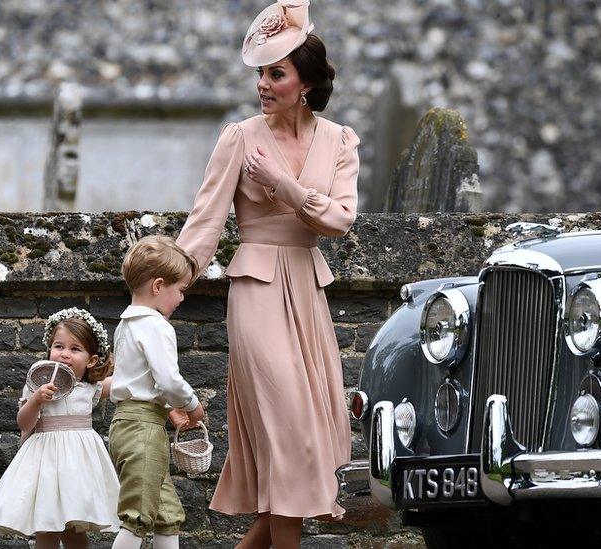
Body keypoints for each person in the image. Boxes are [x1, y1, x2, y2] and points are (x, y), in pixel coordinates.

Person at [175, 1, 359, 546]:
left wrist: (283, 185)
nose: (263, 83)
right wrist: (165, 285)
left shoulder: (340, 142)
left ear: (305, 83)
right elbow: (204, 222)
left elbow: (340, 220)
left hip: (307, 287)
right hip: (255, 290)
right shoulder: (238, 137)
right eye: (261, 72)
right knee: (287, 431)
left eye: (276, 72)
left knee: (304, 446)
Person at [0, 307, 119, 547]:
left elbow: (126, 385)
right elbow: (23, 422)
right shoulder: (37, 385)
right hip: (45, 462)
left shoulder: (90, 388)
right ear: (49, 349)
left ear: (91, 360)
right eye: (59, 346)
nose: (64, 354)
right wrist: (36, 401)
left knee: (74, 526)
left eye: (75, 349)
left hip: (78, 466)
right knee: (46, 524)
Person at [109, 235, 205, 549]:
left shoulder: (125, 324)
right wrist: (191, 405)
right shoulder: (157, 325)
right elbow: (167, 379)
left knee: (167, 514)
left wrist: (168, 409)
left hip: (127, 424)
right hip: (144, 431)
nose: (181, 299)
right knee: (137, 517)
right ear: (158, 285)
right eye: (180, 290)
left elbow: (142, 380)